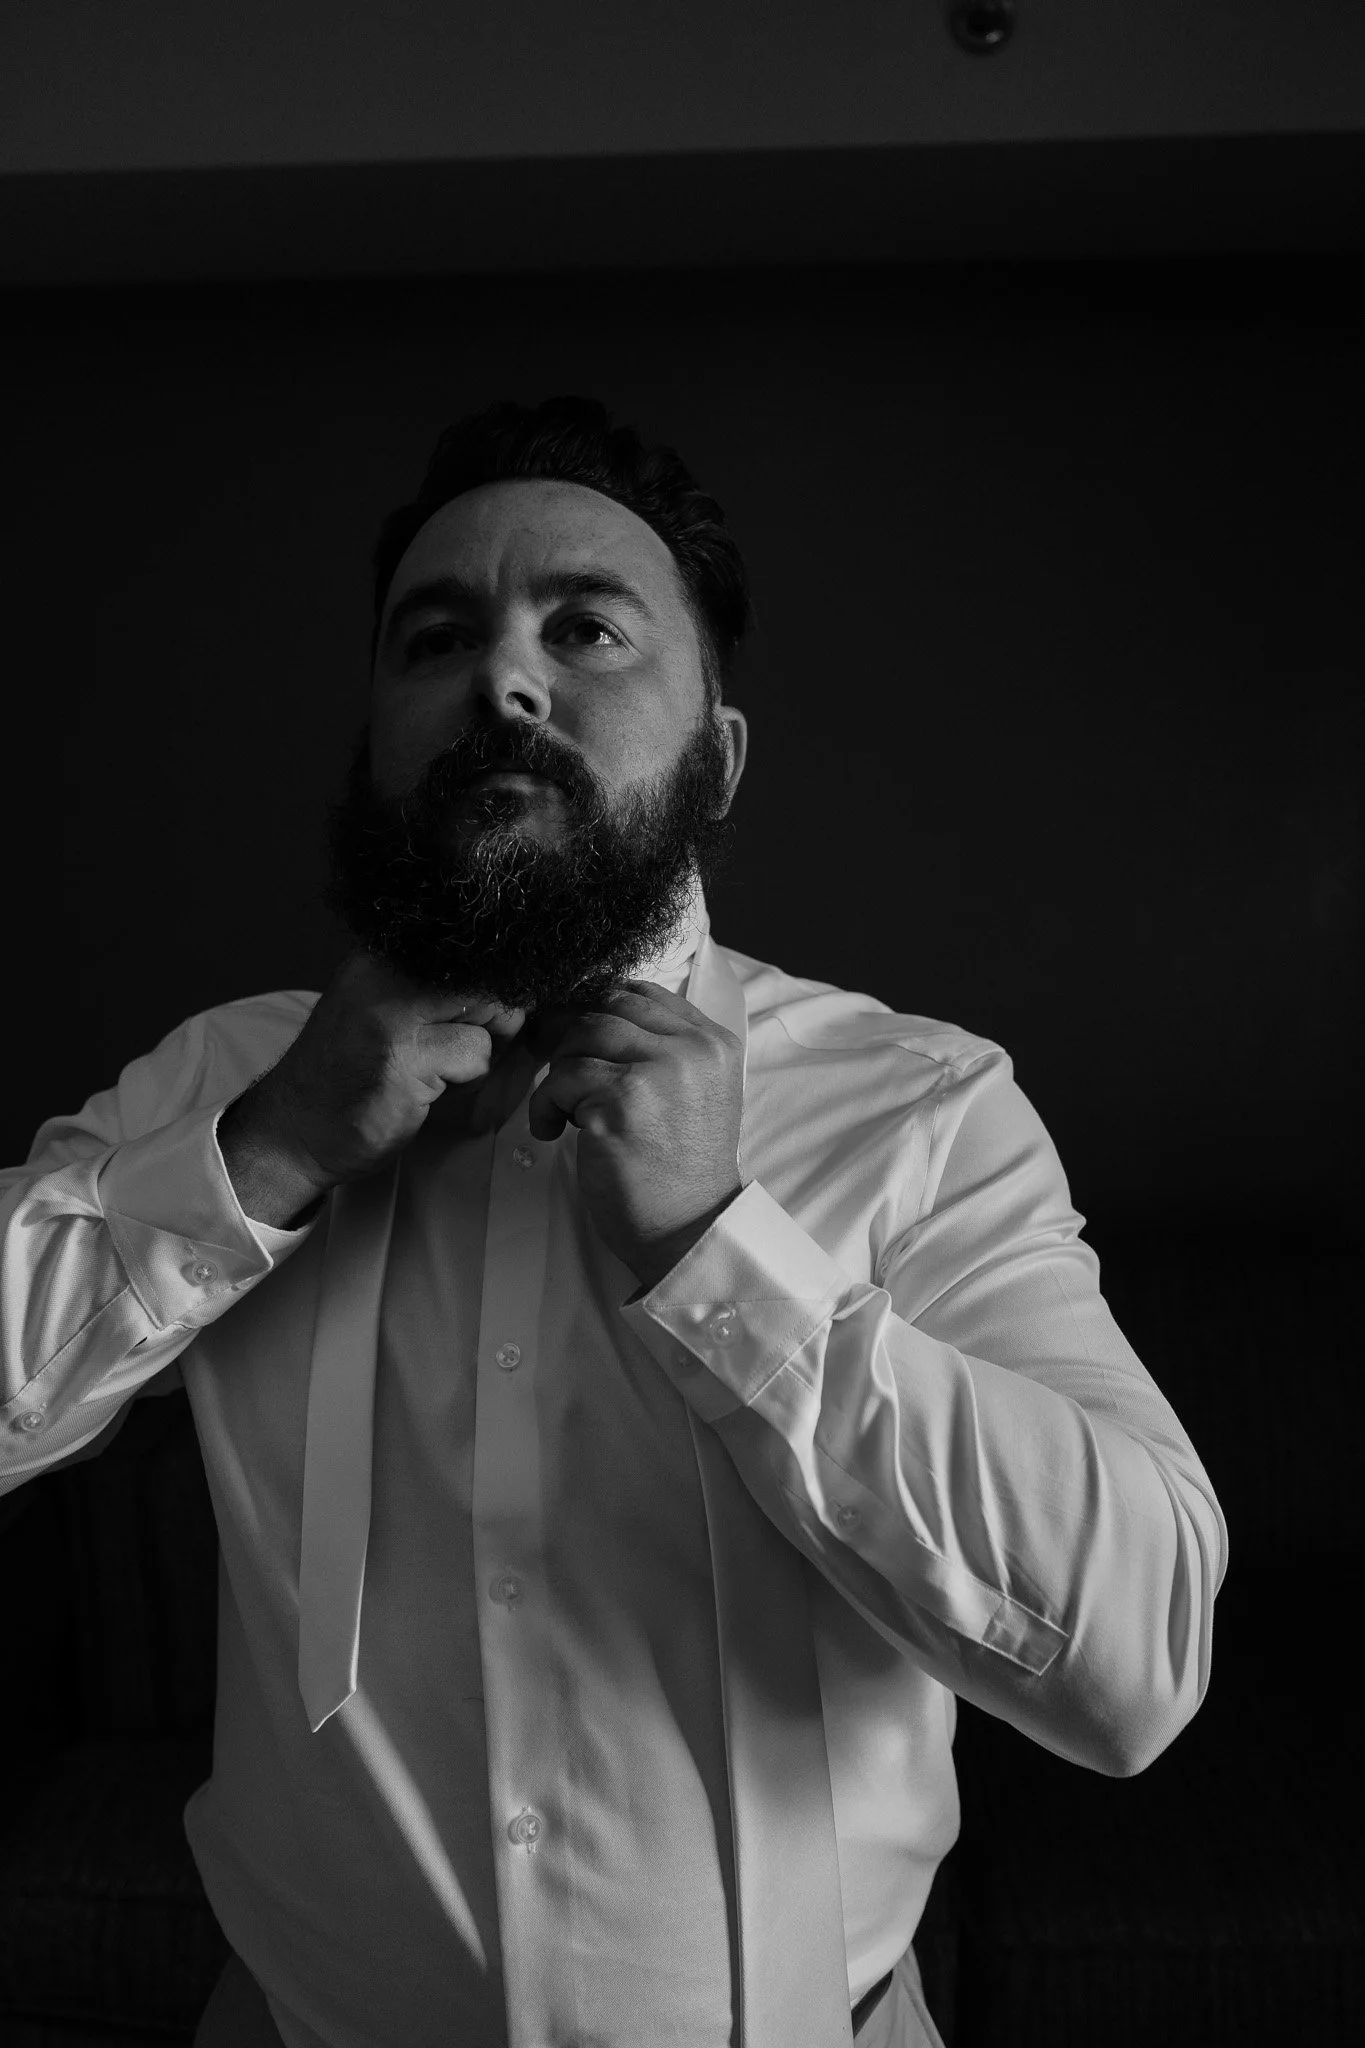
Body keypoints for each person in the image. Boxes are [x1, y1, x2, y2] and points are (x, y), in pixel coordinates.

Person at [0, 395, 1228, 2048]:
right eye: (438, 638)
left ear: (714, 755)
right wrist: (271, 1150)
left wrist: (725, 1252)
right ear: (380, 739)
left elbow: (1136, 1660)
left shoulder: (917, 1106)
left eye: (584, 627)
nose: (506, 681)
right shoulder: (226, 1077)